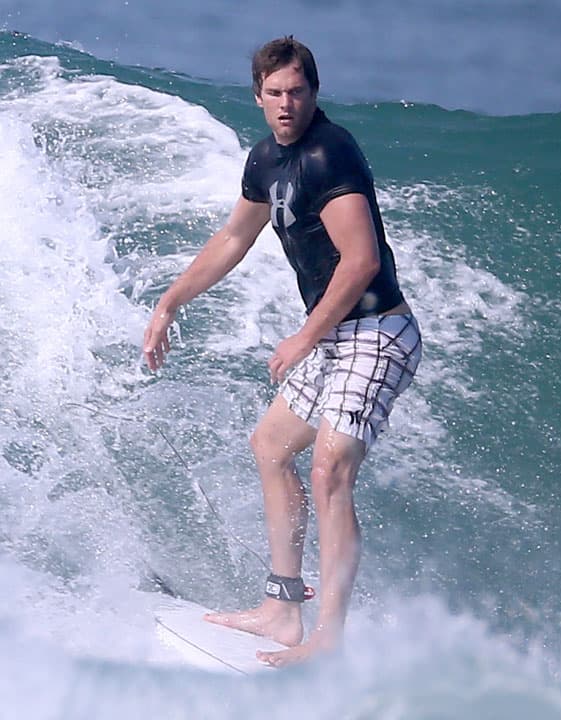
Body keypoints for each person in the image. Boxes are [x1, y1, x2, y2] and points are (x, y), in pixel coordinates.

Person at [141, 36, 422, 666]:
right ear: (259, 97)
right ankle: (281, 609)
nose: (286, 103)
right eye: (275, 93)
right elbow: (232, 239)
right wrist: (169, 303)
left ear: (314, 94)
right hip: (333, 337)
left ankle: (331, 635)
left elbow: (362, 260)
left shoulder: (331, 154)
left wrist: (304, 336)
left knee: (330, 471)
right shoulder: (265, 160)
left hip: (377, 334)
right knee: (270, 447)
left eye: (297, 91)